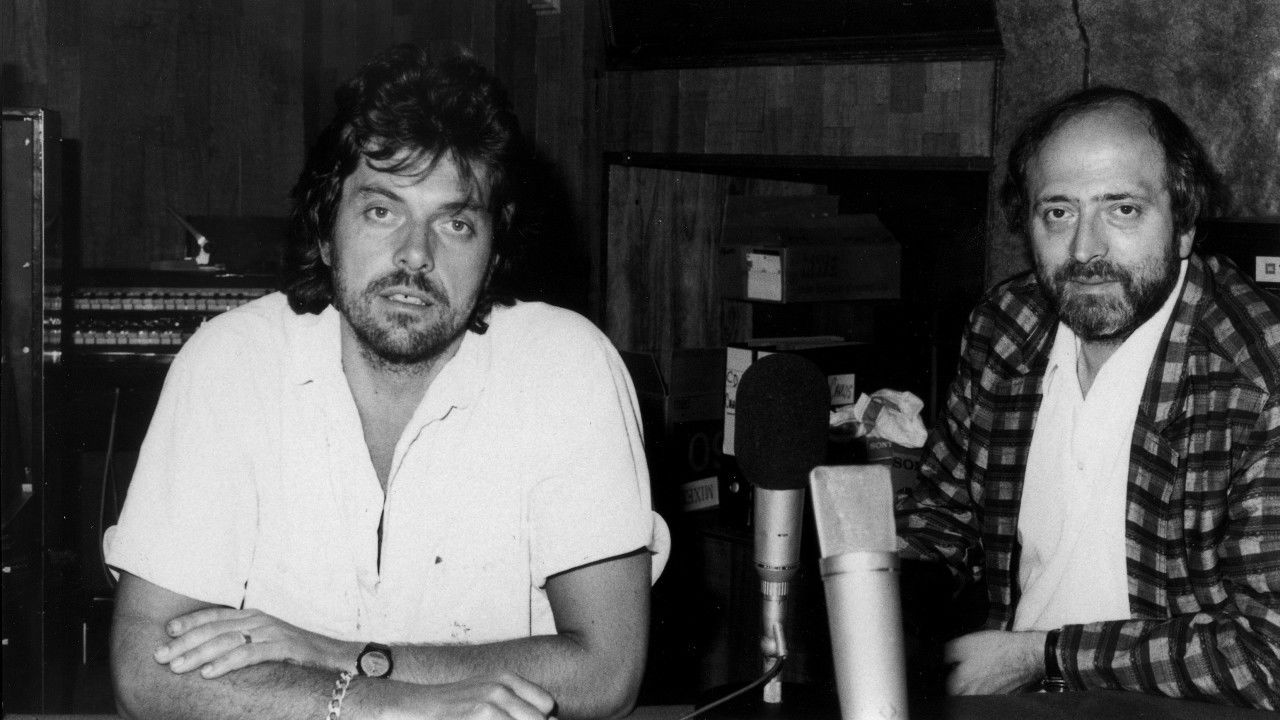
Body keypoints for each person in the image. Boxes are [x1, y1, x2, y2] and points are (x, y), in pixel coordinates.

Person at [107, 44, 669, 720]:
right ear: (326, 230)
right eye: (382, 211)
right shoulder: (230, 363)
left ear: (493, 251)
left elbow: (607, 673)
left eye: (455, 222)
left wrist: (338, 656)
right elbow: (144, 670)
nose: (415, 255)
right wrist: (388, 705)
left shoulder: (566, 368)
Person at [896, 85, 1280, 710]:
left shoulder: (1259, 374)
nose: (1084, 250)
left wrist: (1039, 657)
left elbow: (1269, 655)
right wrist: (871, 577)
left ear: (1184, 226)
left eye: (1122, 209)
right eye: (1058, 212)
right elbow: (944, 516)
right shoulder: (1006, 325)